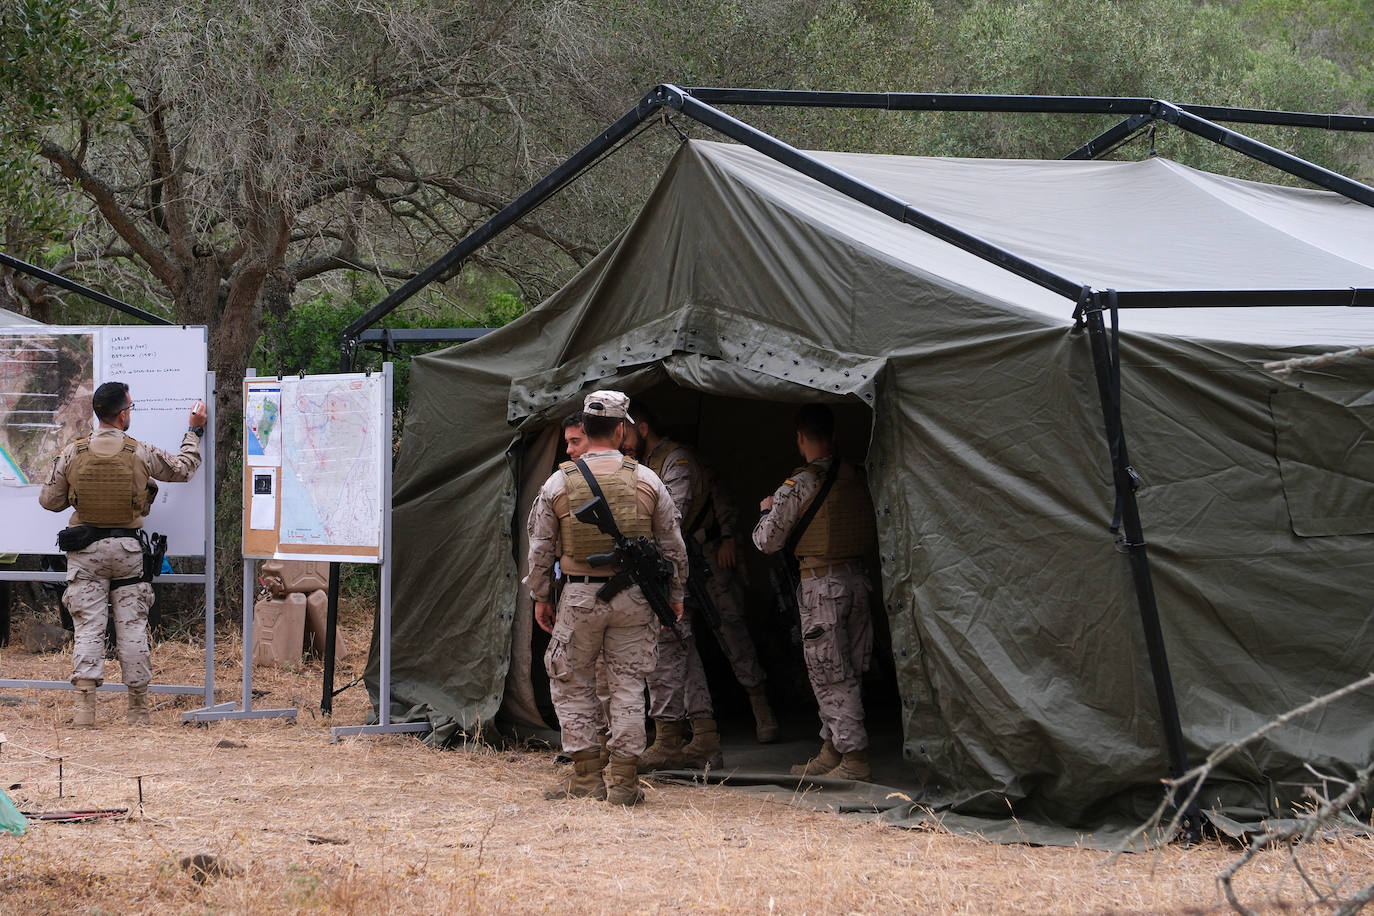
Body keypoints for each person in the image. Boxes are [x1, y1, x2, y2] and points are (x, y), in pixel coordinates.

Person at [524, 390, 687, 805]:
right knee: (629, 686)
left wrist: (541, 596)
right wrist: (676, 594)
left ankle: (586, 778)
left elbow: (540, 548)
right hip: (635, 598)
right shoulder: (649, 480)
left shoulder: (558, 482)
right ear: (620, 429)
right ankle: (626, 784)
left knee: (571, 681)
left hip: (579, 596)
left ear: (585, 428)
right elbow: (674, 547)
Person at [38, 382, 206, 727]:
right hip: (129, 551)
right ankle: (138, 712)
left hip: (85, 553)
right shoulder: (139, 451)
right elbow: (184, 469)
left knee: (87, 628)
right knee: (132, 628)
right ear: (123, 413)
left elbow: (49, 501)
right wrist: (194, 431)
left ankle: (85, 715)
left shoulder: (73, 453)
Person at [633, 404, 778, 773]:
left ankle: (760, 707)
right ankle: (699, 731)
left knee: (730, 630)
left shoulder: (676, 459)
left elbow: (679, 512)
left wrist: (728, 535)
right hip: (679, 563)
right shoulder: (647, 461)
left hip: (705, 558)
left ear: (643, 427)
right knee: (681, 642)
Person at [753, 404, 877, 781]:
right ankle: (832, 747)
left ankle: (854, 757)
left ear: (800, 438)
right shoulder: (857, 475)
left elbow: (767, 541)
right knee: (848, 668)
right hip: (857, 580)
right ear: (833, 434)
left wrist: (765, 511)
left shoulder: (800, 484)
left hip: (822, 586)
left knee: (830, 672)